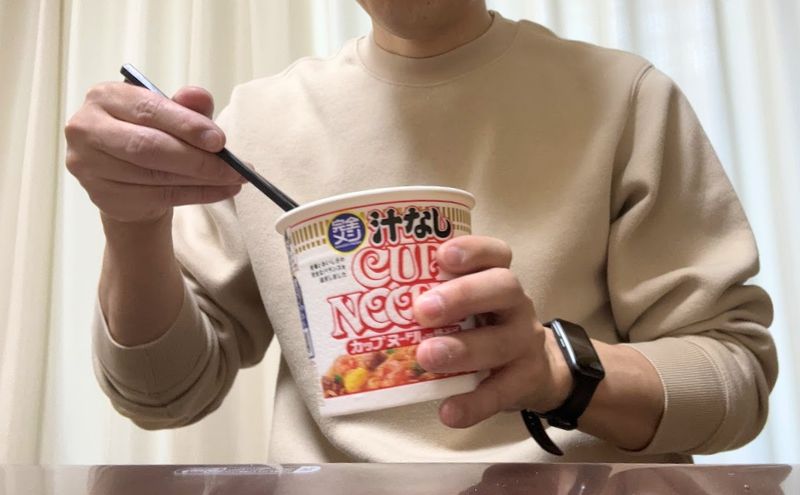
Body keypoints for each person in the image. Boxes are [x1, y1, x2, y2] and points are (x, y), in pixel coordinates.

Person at [65, 0, 777, 462]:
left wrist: (558, 370)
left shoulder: (628, 100)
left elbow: (736, 379)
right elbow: (164, 393)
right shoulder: (253, 125)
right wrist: (132, 224)